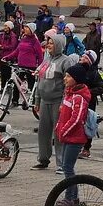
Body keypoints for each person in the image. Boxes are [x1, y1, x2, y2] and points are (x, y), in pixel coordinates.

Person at [50, 62, 95, 206]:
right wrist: (58, 128)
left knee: (68, 168)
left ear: (76, 79)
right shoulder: (69, 94)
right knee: (66, 166)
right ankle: (72, 197)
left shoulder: (79, 98)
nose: (65, 78)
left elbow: (76, 119)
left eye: (68, 76)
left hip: (75, 138)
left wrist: (63, 131)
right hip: (67, 137)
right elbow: (63, 115)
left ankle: (71, 198)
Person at [32, 33, 72, 171]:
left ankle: (62, 163)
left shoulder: (66, 61)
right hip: (44, 101)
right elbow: (39, 81)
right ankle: (43, 159)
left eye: (51, 43)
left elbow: (69, 84)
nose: (48, 45)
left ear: (59, 45)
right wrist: (37, 100)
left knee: (59, 133)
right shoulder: (46, 60)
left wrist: (63, 102)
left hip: (57, 102)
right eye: (48, 42)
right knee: (43, 132)